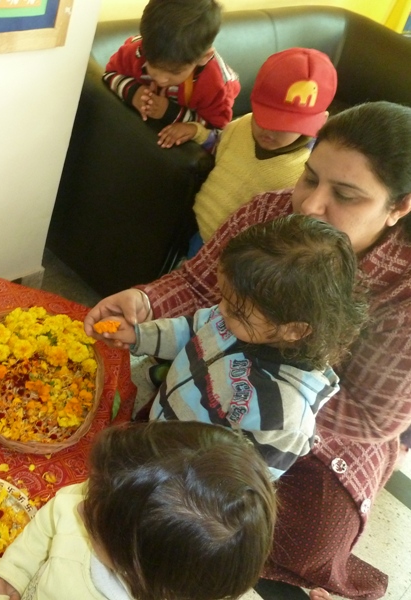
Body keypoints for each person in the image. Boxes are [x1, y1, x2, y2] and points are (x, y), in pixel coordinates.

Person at [84, 101, 411, 600]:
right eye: (309, 178)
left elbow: (369, 417)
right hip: (217, 373)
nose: (310, 205)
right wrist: (145, 303)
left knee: (289, 530)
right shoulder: (269, 213)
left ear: (398, 208)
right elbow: (198, 287)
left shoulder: (404, 291)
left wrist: (250, 402)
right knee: (149, 455)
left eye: (345, 195)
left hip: (320, 430)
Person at [96, 215, 366, 480]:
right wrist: (139, 335)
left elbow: (242, 482)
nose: (220, 310)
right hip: (162, 426)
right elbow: (189, 331)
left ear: (294, 330)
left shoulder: (283, 416)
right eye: (223, 297)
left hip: (181, 477)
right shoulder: (239, 320)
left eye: (236, 310)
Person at [0, 421, 277, 600]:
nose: (78, 505)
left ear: (135, 569)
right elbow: (53, 519)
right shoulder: (108, 502)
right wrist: (13, 575)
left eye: (93, 523)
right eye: (93, 487)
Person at [157, 48, 337, 255]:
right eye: (263, 118)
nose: (269, 131)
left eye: (284, 126)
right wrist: (197, 133)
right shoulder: (242, 125)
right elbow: (221, 145)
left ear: (319, 122)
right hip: (199, 227)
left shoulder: (308, 170)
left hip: (237, 254)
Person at [103, 0, 240, 131]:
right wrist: (134, 93)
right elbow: (109, 74)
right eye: (152, 64)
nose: (160, 79)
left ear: (203, 58)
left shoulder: (216, 84)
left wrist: (172, 114)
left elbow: (217, 129)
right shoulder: (137, 50)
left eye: (175, 72)